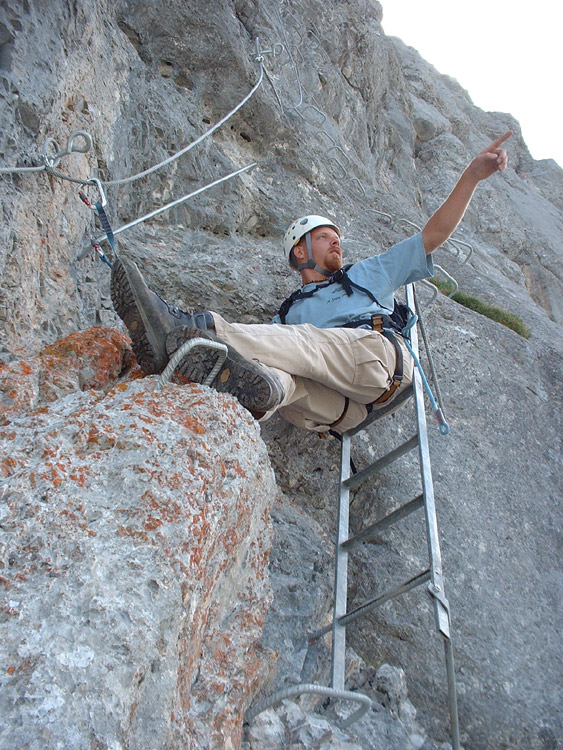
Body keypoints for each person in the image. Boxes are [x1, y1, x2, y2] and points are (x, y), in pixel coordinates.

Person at [111, 131, 512, 433]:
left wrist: (472, 177)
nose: (336, 240)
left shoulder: (366, 274)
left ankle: (191, 329)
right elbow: (284, 346)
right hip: (344, 413)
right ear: (300, 252)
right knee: (279, 379)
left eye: (336, 236)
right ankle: (251, 388)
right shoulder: (290, 312)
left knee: (302, 342)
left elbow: (434, 233)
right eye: (324, 236)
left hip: (379, 362)